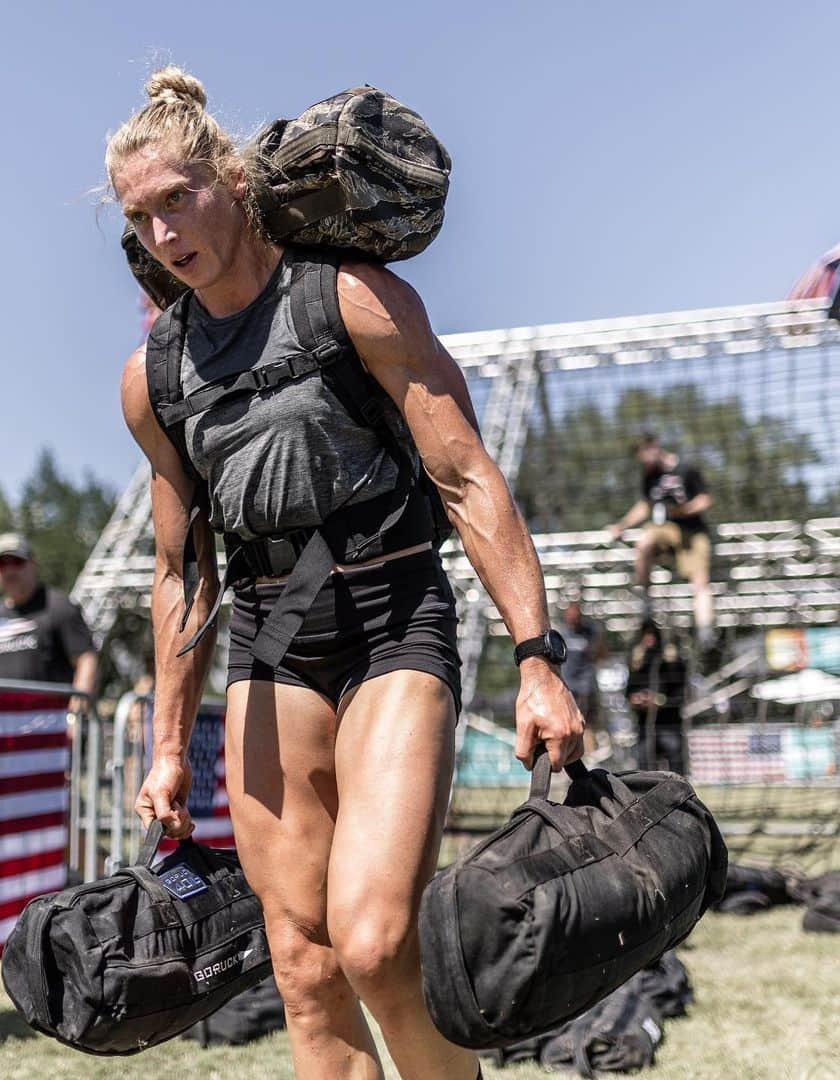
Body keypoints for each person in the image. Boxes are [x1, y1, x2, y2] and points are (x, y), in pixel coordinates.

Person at [110, 67, 584, 1080]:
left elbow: (466, 479)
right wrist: (165, 746)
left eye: (176, 200)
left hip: (390, 616)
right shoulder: (154, 379)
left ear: (232, 181)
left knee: (374, 944)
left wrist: (537, 658)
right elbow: (178, 572)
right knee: (304, 966)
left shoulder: (352, 299)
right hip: (270, 643)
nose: (162, 234)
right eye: (140, 217)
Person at [607, 434, 715, 651]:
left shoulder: (685, 468)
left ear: (655, 447)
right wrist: (621, 525)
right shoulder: (649, 476)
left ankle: (706, 632)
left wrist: (682, 510)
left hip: (692, 530)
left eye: (646, 455)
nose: (645, 462)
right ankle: (646, 603)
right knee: (644, 541)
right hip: (665, 528)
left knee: (700, 582)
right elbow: (645, 506)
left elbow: (705, 499)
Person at [0, 534, 97, 712]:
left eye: (16, 562)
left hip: (50, 727)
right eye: (2, 564)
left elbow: (85, 659)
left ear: (33, 563)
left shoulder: (58, 606)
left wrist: (75, 715)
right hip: (3, 726)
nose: (9, 571)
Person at [625, 620, 688, 775]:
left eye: (652, 635)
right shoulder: (638, 663)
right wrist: (637, 699)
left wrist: (660, 700)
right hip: (645, 726)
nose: (649, 640)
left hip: (669, 724)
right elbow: (628, 692)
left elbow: (681, 695)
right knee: (645, 769)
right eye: (646, 635)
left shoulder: (671, 662)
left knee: (676, 768)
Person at [555, 600, 607, 733]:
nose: (573, 619)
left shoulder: (590, 633)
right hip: (567, 685)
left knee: (586, 722)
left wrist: (599, 637)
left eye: (576, 616)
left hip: (585, 686)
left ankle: (589, 749)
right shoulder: (561, 633)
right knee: (568, 720)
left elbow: (601, 655)